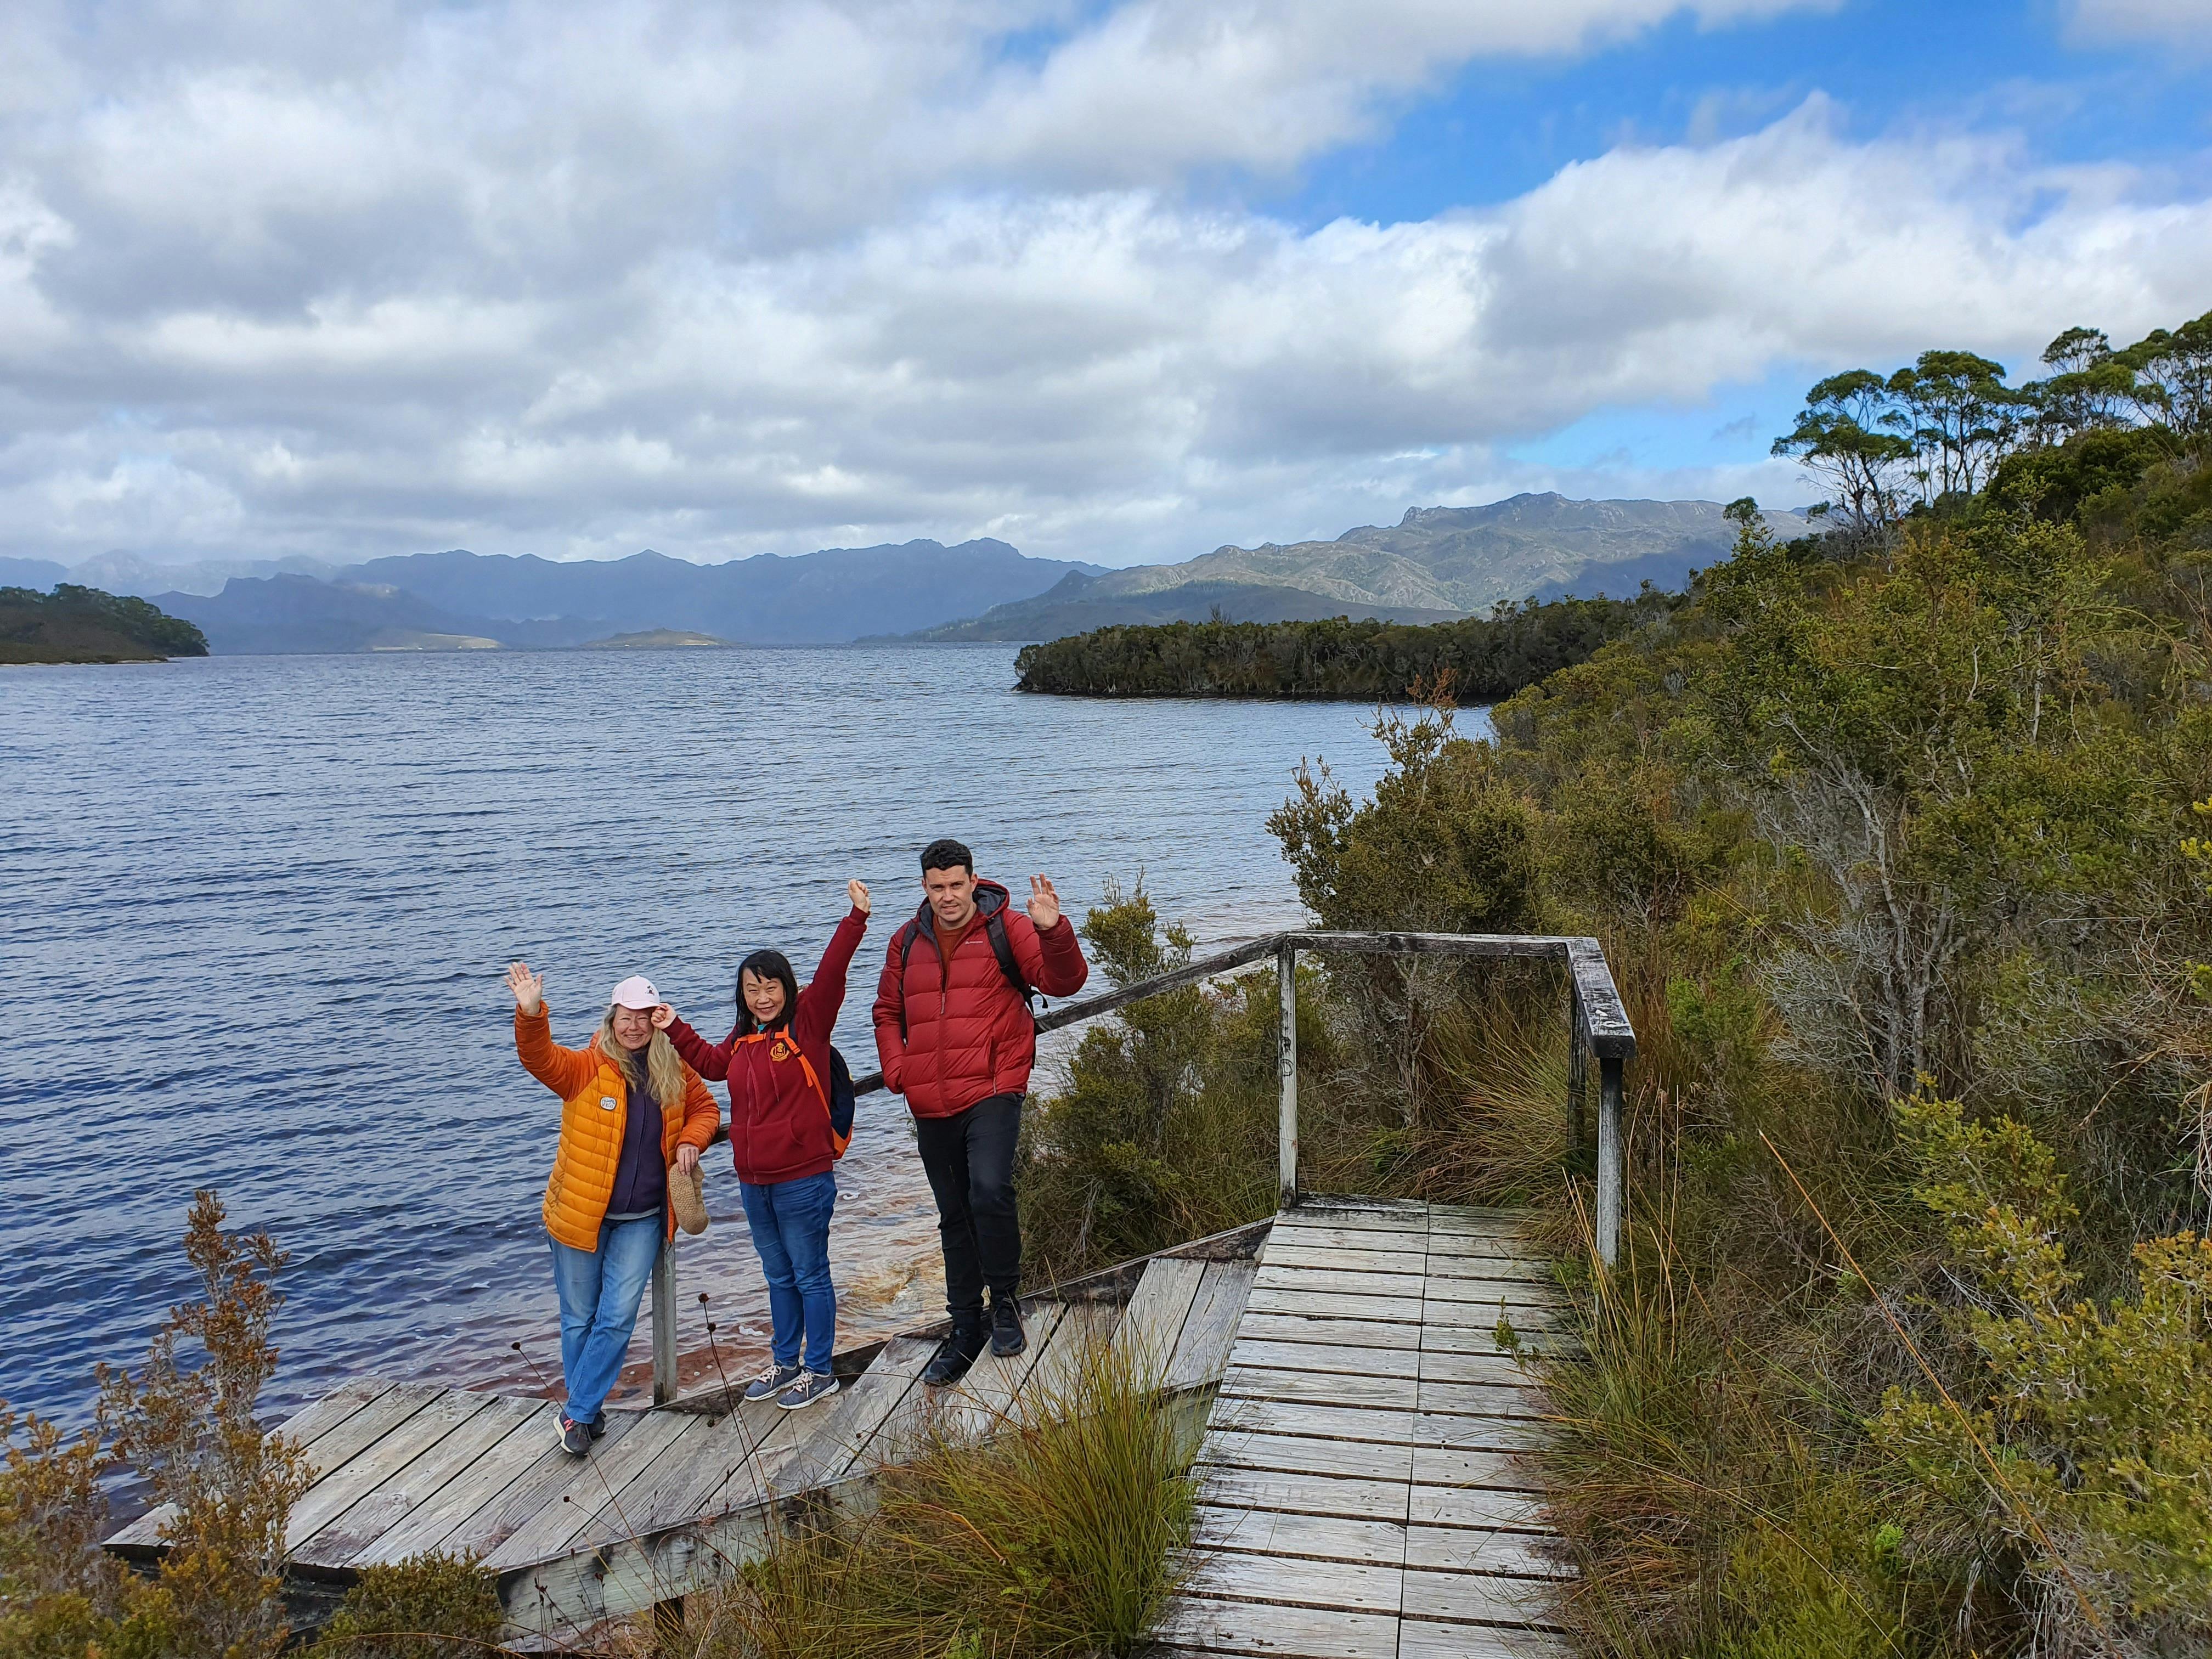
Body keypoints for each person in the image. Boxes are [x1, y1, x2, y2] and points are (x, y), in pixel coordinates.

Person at [872, 839, 1089, 1386]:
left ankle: (1006, 1305)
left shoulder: (1008, 926)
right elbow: (886, 1011)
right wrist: (899, 1069)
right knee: (953, 1215)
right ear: (925, 887)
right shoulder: (905, 942)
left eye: (956, 885)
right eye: (937, 887)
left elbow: (1065, 983)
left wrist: (1053, 931)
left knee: (989, 1190)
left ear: (973, 881)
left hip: (993, 1085)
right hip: (930, 1098)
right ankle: (965, 1326)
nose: (947, 896)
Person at [654, 882, 871, 1411]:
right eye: (753, 989)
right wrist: (673, 1025)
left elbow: (833, 973)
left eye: (772, 986)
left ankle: (820, 1370)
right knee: (778, 1276)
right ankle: (785, 1363)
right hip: (755, 1183)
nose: (763, 997)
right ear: (743, 995)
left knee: (810, 1274)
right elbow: (709, 1065)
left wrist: (856, 918)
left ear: (787, 988)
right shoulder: (743, 1039)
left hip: (804, 1178)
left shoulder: (810, 1022)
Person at [507, 963, 719, 1455]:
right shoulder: (585, 1067)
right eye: (627, 1016)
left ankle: (577, 1412)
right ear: (612, 1018)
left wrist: (691, 1139)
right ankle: (586, 1411)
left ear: (658, 1020)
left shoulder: (676, 1068)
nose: (635, 1026)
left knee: (618, 1316)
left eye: (645, 1017)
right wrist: (531, 1011)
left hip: (643, 1218)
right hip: (580, 1215)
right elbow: (538, 1057)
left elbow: (707, 1110)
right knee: (579, 1318)